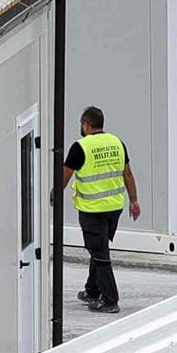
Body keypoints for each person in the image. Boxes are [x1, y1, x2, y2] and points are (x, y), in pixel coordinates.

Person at [60, 106, 140, 310]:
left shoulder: (80, 147)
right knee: (99, 247)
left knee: (100, 253)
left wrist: (52, 193)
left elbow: (65, 175)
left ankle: (110, 300)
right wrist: (134, 201)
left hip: (92, 209)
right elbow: (128, 174)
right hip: (114, 208)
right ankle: (92, 290)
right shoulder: (117, 142)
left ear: (86, 125)